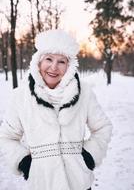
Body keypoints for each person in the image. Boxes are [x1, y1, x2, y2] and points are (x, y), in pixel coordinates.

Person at [0, 29, 112, 190]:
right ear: (38, 61)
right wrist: (24, 162)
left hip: (79, 183)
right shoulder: (20, 97)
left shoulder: (84, 93)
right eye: (49, 59)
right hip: (41, 183)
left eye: (62, 61)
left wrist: (90, 155)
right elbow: (6, 137)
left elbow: (103, 127)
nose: (54, 67)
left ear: (69, 66)